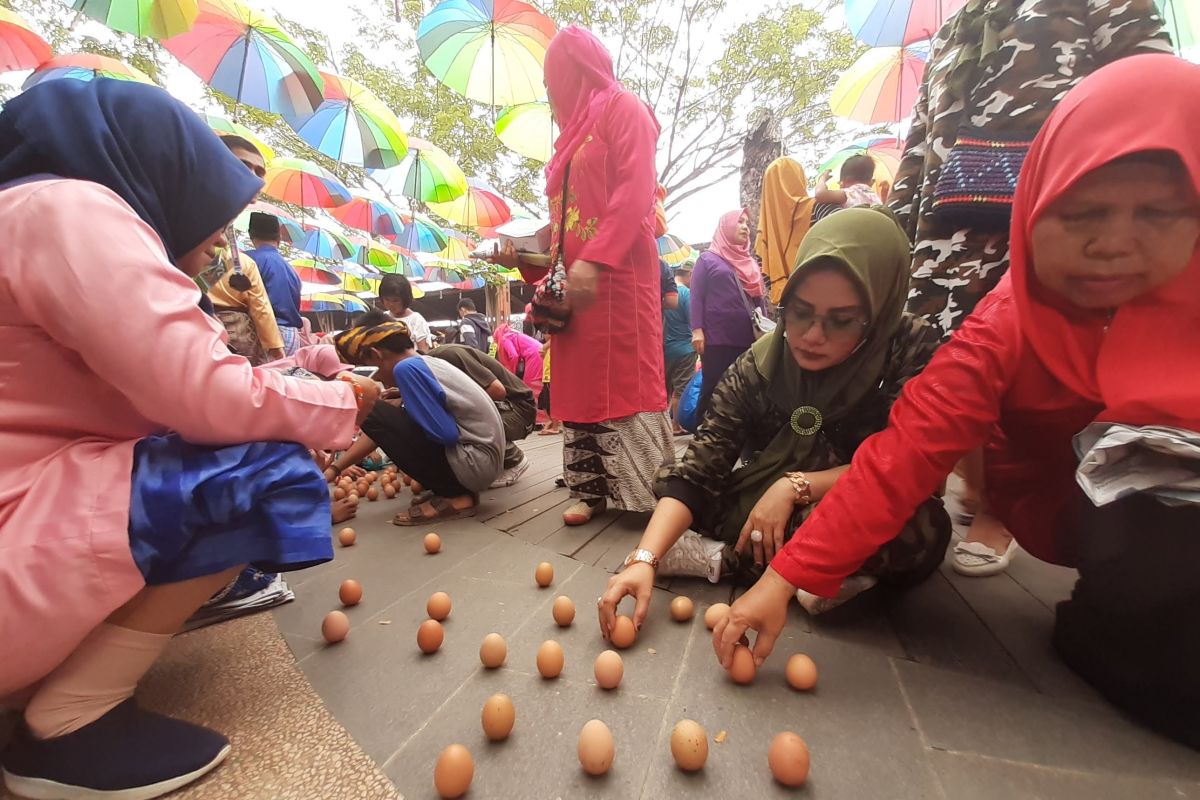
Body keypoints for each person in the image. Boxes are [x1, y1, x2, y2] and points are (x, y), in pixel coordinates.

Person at [714, 55, 1200, 750]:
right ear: (1031, 208)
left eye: (1154, 213)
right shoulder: (1001, 330)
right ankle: (1109, 616)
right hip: (1089, 515)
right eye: (1082, 211)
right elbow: (903, 457)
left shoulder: (908, 345)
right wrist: (784, 579)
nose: (1114, 241)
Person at [0, 79, 379, 798]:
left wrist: (313, 390)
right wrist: (338, 402)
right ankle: (69, 724)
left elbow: (191, 378)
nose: (218, 244)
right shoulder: (70, 210)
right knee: (269, 469)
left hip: (27, 519)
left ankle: (57, 670)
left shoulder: (29, 210)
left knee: (240, 443)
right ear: (167, 170)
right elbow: (206, 396)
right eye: (218, 212)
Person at [888, 0, 1170, 578]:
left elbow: (1152, 85)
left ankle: (1002, 509)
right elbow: (922, 136)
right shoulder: (954, 28)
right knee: (937, 355)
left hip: (1055, 213)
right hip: (950, 220)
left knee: (1033, 364)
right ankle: (956, 487)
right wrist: (896, 224)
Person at [598, 208, 949, 634]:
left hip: (853, 495)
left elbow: (910, 463)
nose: (811, 336)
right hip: (763, 494)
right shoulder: (759, 364)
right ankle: (804, 573)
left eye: (840, 321)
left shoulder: (911, 348)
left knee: (919, 529)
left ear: (878, 313)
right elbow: (702, 465)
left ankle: (725, 560)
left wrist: (797, 485)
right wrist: (644, 558)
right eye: (798, 312)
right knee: (685, 502)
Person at [489, 26, 673, 526]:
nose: (550, 95)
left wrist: (596, 257)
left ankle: (639, 492)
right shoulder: (569, 140)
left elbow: (636, 190)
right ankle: (593, 490)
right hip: (578, 288)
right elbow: (567, 221)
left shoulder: (624, 109)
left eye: (553, 82)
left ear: (576, 72)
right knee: (581, 386)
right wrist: (524, 254)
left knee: (624, 381)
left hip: (617, 280)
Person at [331, 319, 505, 524]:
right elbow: (383, 430)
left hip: (473, 463)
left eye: (372, 369)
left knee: (365, 403)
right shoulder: (427, 362)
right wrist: (336, 468)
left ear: (377, 355)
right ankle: (454, 491)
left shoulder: (405, 369)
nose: (375, 377)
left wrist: (407, 407)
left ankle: (456, 497)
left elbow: (445, 434)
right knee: (378, 410)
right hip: (483, 462)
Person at [205, 136, 284, 365]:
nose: (254, 178)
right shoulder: (190, 233)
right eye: (243, 166)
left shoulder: (240, 258)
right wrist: (276, 348)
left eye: (260, 172)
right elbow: (261, 308)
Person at [691, 210, 767, 419]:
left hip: (748, 339)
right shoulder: (707, 259)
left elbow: (759, 300)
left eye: (747, 223)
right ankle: (703, 441)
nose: (745, 226)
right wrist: (697, 330)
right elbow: (696, 296)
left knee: (746, 391)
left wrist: (766, 332)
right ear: (726, 226)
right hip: (717, 339)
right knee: (713, 388)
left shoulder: (750, 262)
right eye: (739, 222)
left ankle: (742, 444)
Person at [755, 157, 815, 304]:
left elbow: (767, 277)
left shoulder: (763, 235)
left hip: (791, 308)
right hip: (821, 298)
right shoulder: (818, 209)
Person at [245, 212, 304, 356]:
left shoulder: (248, 261)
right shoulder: (291, 270)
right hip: (292, 335)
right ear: (279, 238)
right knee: (287, 378)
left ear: (251, 236)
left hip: (267, 334)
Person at [663, 262, 696, 435]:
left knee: (664, 389)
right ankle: (676, 425)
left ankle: (662, 428)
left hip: (665, 348)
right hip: (685, 348)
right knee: (681, 389)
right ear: (689, 274)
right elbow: (694, 321)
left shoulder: (665, 293)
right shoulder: (686, 294)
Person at [378, 273, 433, 353]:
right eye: (387, 299)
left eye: (395, 300)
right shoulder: (382, 318)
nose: (390, 304)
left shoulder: (416, 320)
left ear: (405, 299)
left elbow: (423, 353)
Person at [492, 321, 544, 405]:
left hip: (534, 355)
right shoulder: (512, 334)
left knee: (531, 383)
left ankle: (535, 411)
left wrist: (511, 374)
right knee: (538, 382)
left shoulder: (505, 338)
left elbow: (513, 356)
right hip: (539, 352)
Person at [815, 154, 882, 209]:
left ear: (844, 181)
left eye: (840, 184)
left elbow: (820, 194)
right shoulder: (874, 196)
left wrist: (822, 179)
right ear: (870, 182)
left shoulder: (850, 193)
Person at [537, 335, 561, 435]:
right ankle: (551, 421)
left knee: (552, 402)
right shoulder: (549, 346)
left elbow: (554, 339)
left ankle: (555, 427)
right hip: (547, 376)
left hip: (552, 376)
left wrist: (544, 347)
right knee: (543, 401)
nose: (545, 335)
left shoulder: (555, 342)